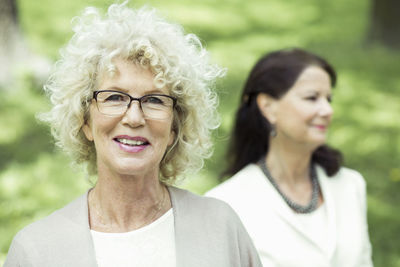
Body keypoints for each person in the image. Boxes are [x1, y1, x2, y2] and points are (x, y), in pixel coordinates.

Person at [4, 3, 262, 267]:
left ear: (174, 128)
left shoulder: (220, 229)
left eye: (154, 100)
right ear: (84, 120)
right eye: (115, 97)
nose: (135, 117)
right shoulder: (37, 251)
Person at [206, 48, 373, 266]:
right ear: (267, 107)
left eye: (328, 99)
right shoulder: (226, 204)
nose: (327, 110)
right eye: (312, 98)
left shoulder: (350, 185)